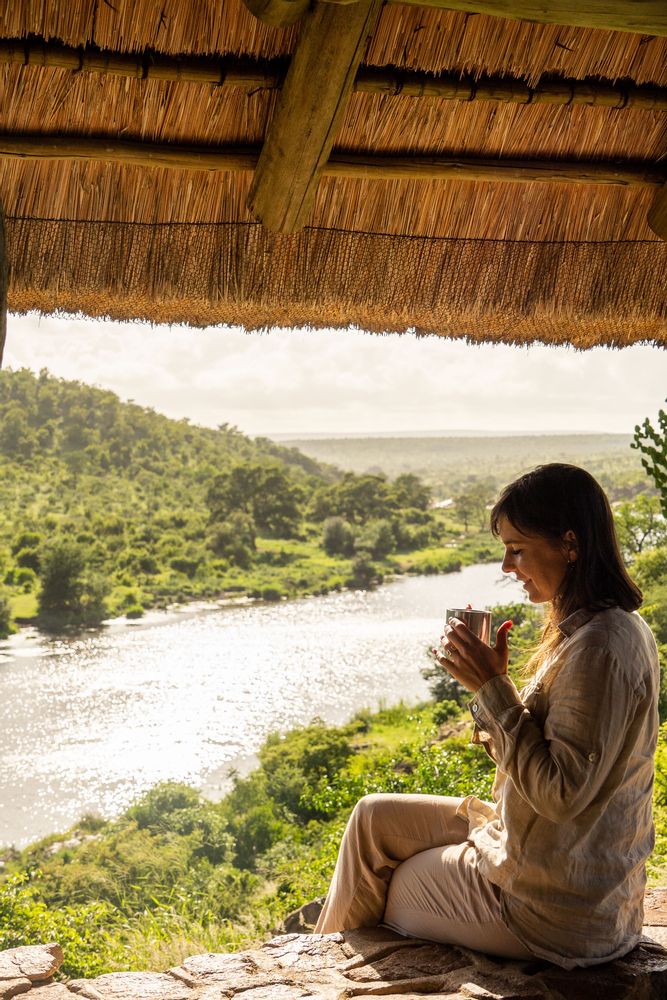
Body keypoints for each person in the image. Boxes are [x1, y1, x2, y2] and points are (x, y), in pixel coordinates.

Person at [314, 463, 660, 968]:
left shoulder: (599, 648)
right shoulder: (604, 628)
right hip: (539, 852)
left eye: (517, 549)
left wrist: (493, 689)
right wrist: (494, 692)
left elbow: (560, 795)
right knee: (373, 817)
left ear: (571, 544)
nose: (506, 565)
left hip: (556, 910)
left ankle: (324, 973)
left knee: (395, 881)